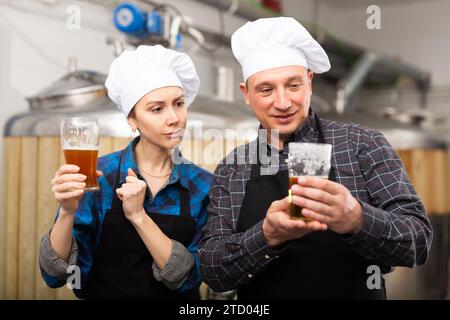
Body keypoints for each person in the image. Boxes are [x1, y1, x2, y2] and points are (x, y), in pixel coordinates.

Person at [198, 17, 432, 300]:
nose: (283, 102)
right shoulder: (234, 167)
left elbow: (417, 244)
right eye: (266, 89)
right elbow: (213, 271)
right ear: (246, 94)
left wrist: (357, 219)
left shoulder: (362, 144)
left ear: (309, 82)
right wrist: (267, 236)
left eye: (293, 85)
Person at [39, 45, 212, 300]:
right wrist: (67, 211)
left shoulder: (202, 185)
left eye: (179, 104)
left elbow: (188, 279)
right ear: (132, 120)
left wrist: (139, 216)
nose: (174, 118)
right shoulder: (98, 175)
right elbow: (55, 275)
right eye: (157, 109)